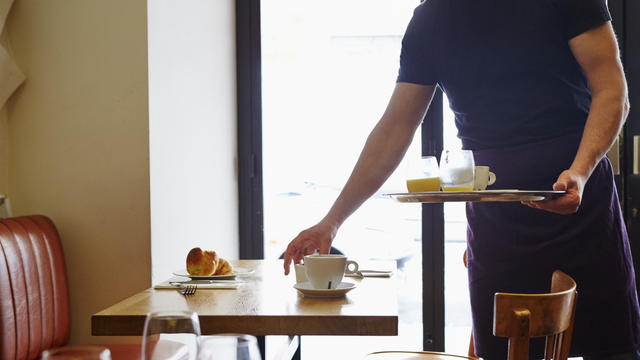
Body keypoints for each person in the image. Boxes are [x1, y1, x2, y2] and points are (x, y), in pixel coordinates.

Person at [282, 0, 640, 358]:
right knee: (501, 349)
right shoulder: (431, 18)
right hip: (495, 219)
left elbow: (612, 90)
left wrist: (579, 170)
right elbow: (394, 129)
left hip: (580, 203)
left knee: (612, 348)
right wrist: (331, 221)